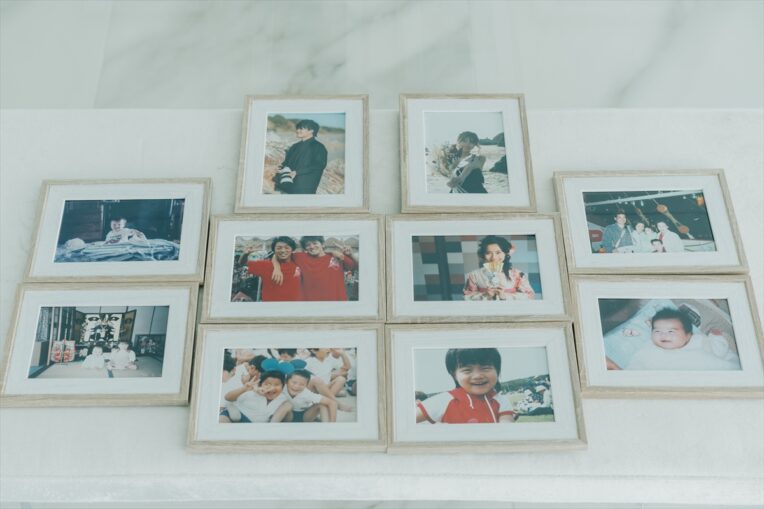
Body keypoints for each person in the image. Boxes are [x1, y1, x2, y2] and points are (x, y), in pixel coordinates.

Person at [416, 348, 517, 424]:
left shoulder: (501, 400)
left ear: (497, 370)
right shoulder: (444, 400)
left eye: (485, 368)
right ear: (454, 375)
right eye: (467, 370)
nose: (478, 376)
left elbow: (506, 425)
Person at [625, 308, 741, 370]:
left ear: (688, 335)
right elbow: (637, 365)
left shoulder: (698, 341)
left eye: (671, 331)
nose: (663, 335)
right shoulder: (650, 349)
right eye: (657, 331)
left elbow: (719, 351)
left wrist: (716, 338)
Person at [271, 236, 356, 301]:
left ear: (322, 244)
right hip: (309, 304)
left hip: (336, 302)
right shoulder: (300, 257)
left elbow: (358, 267)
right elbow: (278, 254)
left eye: (315, 243)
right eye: (308, 245)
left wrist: (351, 254)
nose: (312, 246)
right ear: (305, 248)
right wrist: (276, 268)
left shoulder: (337, 256)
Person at [463, 235, 535, 301]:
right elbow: (466, 297)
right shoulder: (474, 275)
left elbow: (530, 296)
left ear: (505, 253)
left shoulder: (518, 274)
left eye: (498, 252)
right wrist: (485, 295)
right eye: (488, 253)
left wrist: (505, 296)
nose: (494, 257)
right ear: (483, 255)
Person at [237, 237, 304, 301]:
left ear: (292, 249)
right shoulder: (266, 265)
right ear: (274, 250)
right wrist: (245, 254)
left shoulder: (299, 264)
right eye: (279, 248)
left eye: (287, 248)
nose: (283, 250)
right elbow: (242, 263)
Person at [273, 119, 328, 195]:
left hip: (305, 187)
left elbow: (319, 165)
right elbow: (286, 162)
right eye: (297, 128)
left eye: (301, 128)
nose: (297, 130)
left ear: (311, 131)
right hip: (287, 183)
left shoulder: (319, 147)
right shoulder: (294, 146)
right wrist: (280, 168)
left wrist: (297, 172)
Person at [228, 370, 293, 423]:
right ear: (260, 385)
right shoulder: (252, 393)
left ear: (283, 387)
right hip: (238, 414)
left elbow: (288, 415)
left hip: (256, 426)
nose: (272, 388)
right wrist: (244, 388)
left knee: (288, 405)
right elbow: (228, 398)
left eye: (276, 384)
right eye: (267, 384)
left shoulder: (282, 398)